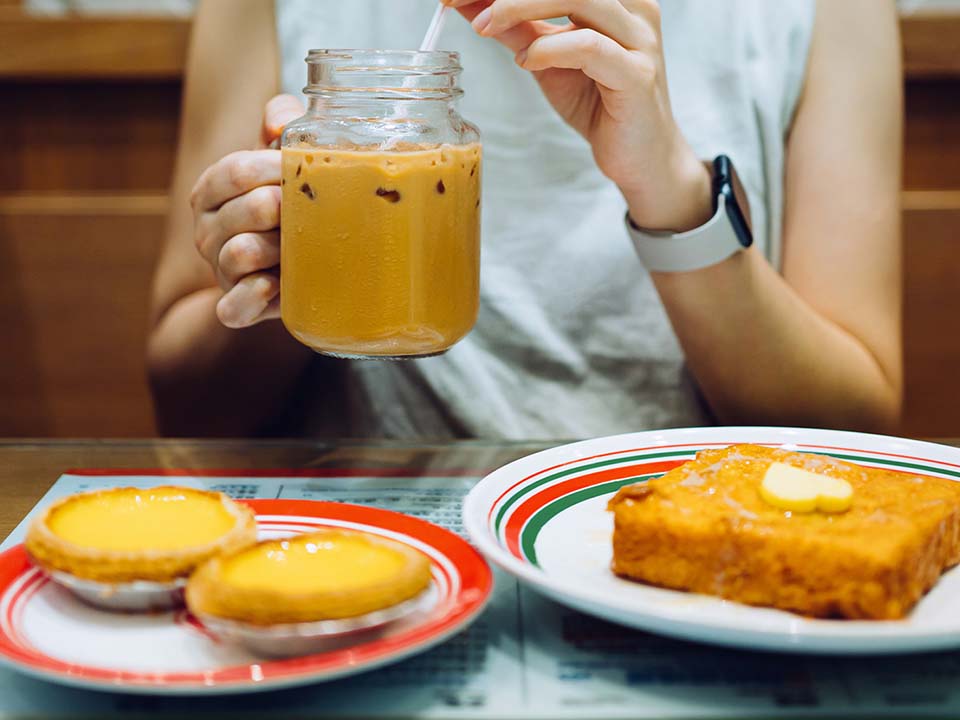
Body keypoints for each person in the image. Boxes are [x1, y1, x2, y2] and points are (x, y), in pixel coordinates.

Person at [147, 0, 902, 439]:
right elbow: (183, 399)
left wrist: (670, 188)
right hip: (374, 531)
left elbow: (854, 425)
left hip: (684, 525)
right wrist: (295, 262)